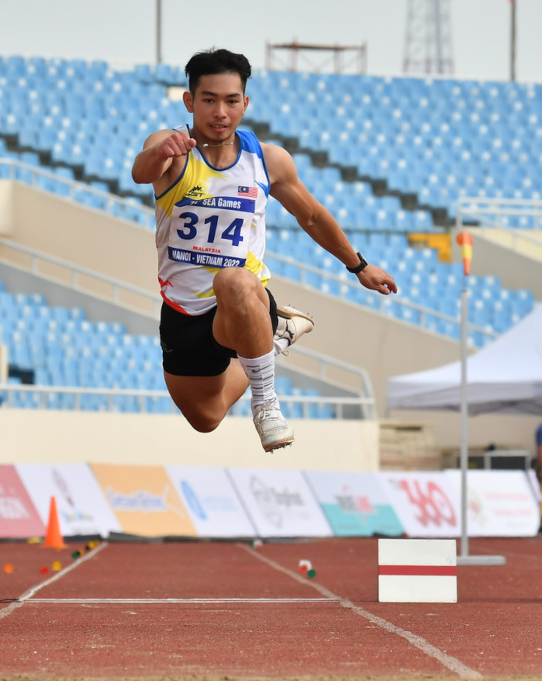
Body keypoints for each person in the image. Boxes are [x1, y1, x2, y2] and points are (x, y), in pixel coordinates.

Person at [130, 49, 397, 452]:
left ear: (245, 104)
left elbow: (311, 216)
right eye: (209, 100)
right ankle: (275, 338)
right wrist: (160, 153)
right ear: (190, 102)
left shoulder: (266, 161)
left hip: (241, 300)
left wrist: (358, 265)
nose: (220, 111)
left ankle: (267, 403)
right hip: (185, 312)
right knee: (207, 419)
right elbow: (140, 172)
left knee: (235, 281)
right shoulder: (171, 149)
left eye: (231, 101)